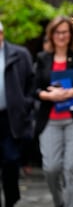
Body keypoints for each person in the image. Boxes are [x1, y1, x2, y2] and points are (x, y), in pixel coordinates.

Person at [33, 16, 73, 207]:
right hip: (50, 120)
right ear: (51, 35)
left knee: (71, 167)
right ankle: (59, 202)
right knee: (51, 168)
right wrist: (48, 96)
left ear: (71, 34)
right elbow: (33, 89)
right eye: (58, 32)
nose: (62, 36)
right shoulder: (42, 58)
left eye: (65, 32)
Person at [0, 21, 34, 207]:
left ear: (2, 34)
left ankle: (11, 201)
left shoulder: (19, 54)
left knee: (11, 161)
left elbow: (31, 82)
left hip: (10, 117)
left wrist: (25, 104)